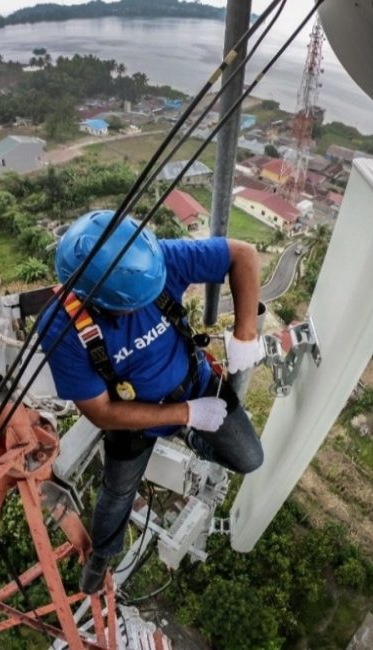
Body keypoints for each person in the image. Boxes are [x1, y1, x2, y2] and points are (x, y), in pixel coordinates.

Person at [37, 209, 265, 594]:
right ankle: (102, 554)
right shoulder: (63, 327)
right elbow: (101, 412)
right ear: (100, 301)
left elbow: (243, 255)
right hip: (134, 420)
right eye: (133, 306)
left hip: (195, 384)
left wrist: (245, 334)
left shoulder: (150, 261)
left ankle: (192, 436)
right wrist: (187, 414)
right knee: (117, 494)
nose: (142, 309)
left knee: (249, 458)